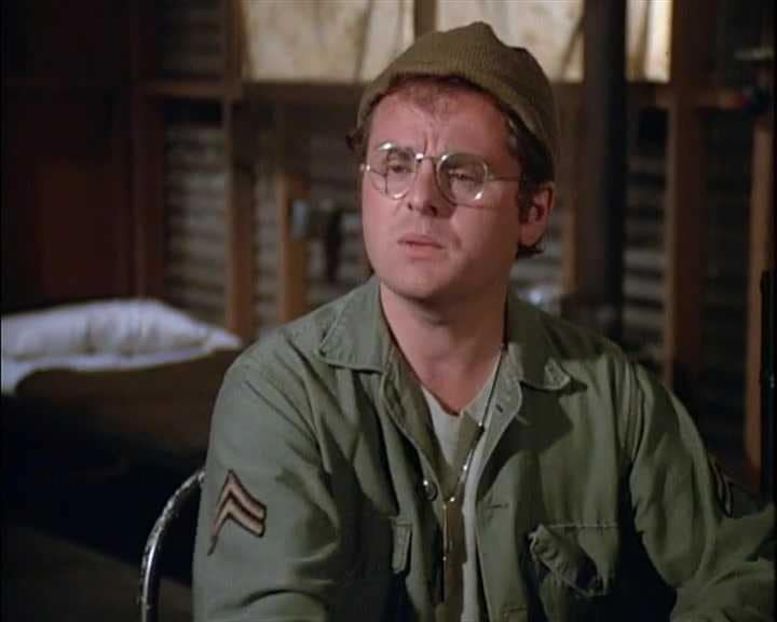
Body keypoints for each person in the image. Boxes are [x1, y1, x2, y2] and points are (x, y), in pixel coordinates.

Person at [193, 22, 774, 621]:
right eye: (395, 164)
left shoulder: (608, 395)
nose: (422, 197)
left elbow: (748, 571)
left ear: (533, 211)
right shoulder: (284, 393)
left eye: (463, 172)